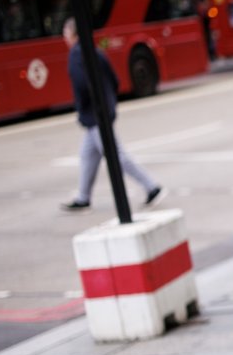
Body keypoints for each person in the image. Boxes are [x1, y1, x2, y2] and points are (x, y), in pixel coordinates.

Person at [59, 19, 162, 212]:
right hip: (103, 112)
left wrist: (83, 108)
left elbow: (80, 85)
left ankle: (151, 187)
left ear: (74, 35)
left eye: (65, 33)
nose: (64, 38)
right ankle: (83, 197)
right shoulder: (96, 51)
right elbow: (114, 79)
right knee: (87, 155)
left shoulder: (75, 55)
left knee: (116, 156)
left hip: (95, 115)